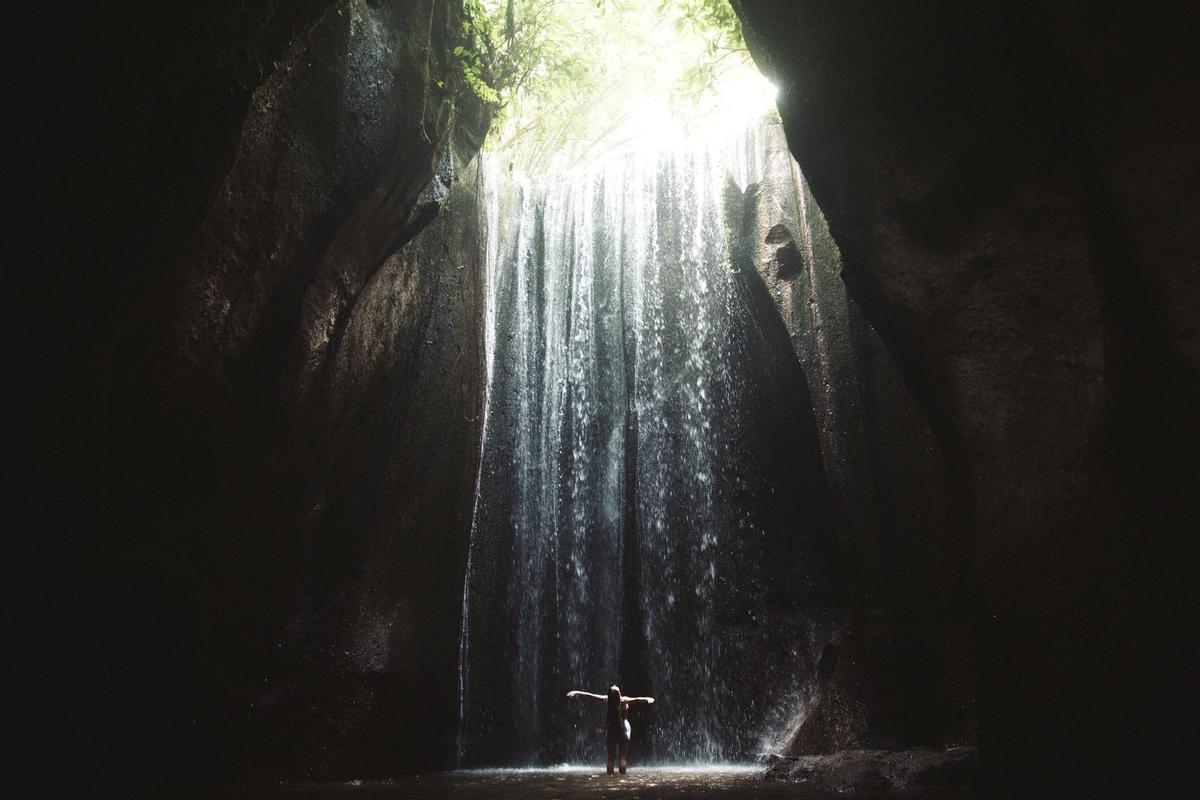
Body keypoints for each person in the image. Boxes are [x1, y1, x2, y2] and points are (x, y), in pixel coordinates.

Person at [566, 685, 655, 774]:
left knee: (611, 757)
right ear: (619, 694)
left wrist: (577, 693)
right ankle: (622, 777)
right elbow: (638, 699)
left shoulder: (607, 700)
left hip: (612, 728)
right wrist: (648, 699)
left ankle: (610, 778)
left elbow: (590, 695)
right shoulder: (623, 700)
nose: (614, 685)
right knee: (623, 757)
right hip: (624, 729)